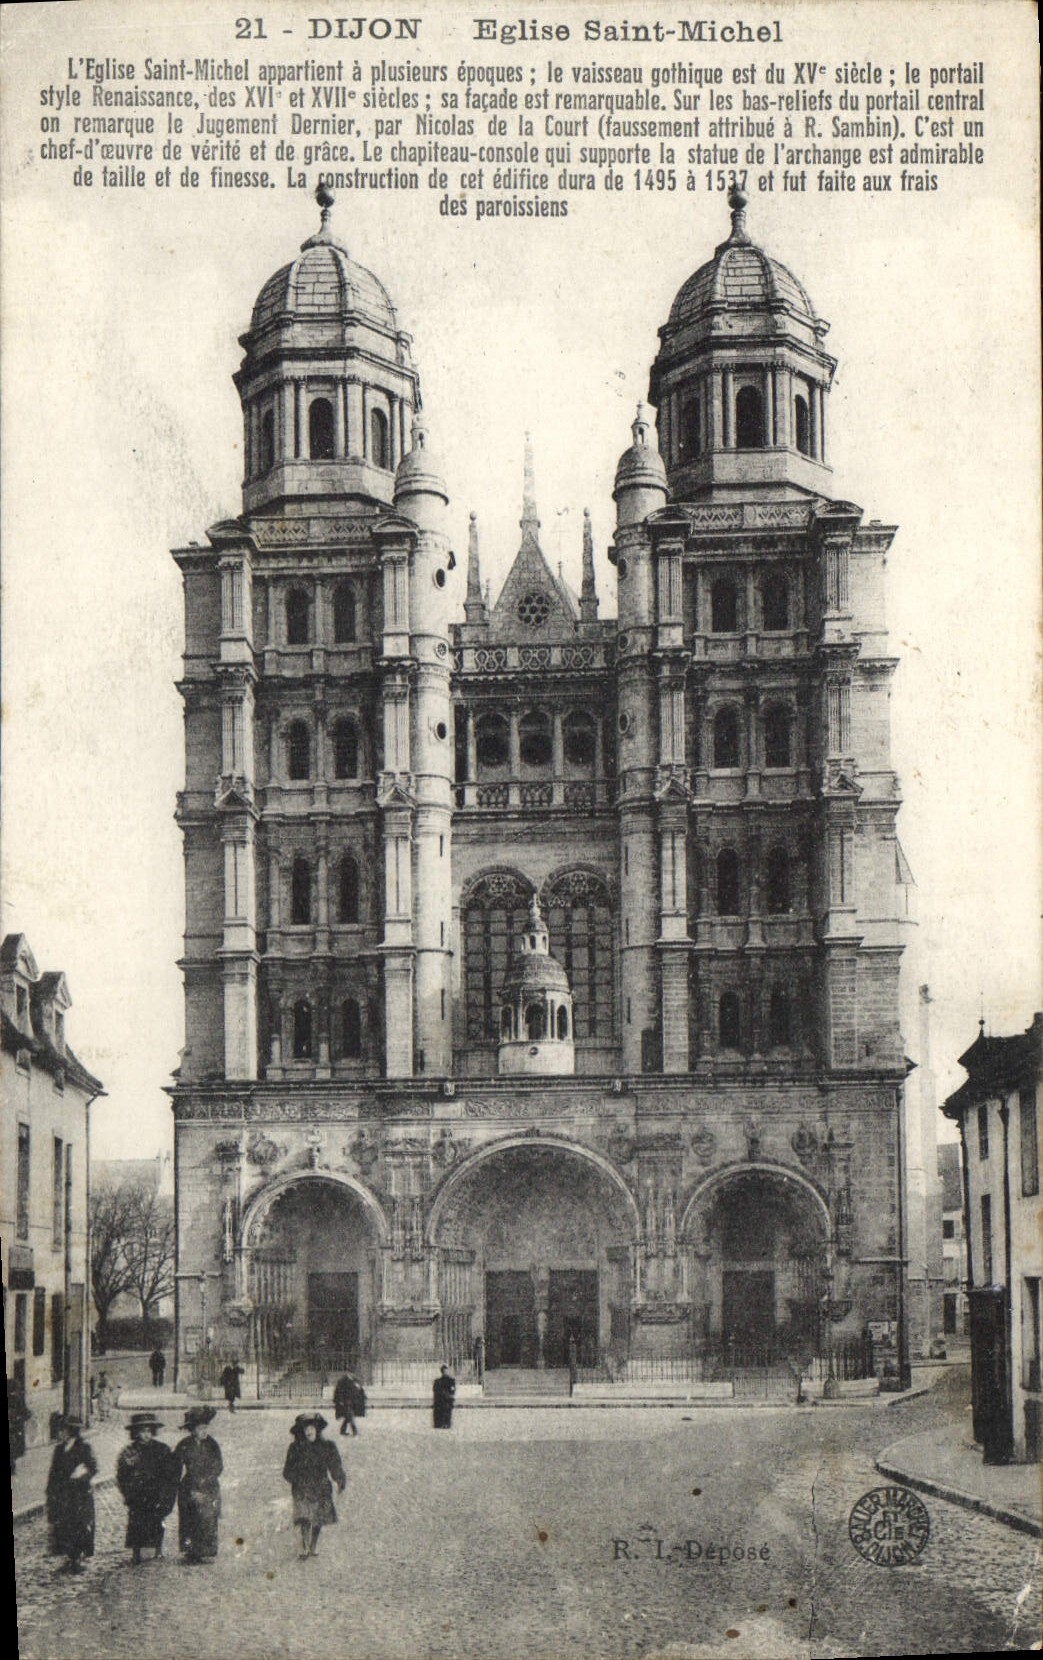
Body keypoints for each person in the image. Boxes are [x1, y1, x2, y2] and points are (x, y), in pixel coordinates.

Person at [116, 1412, 178, 1565]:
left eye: (149, 1431)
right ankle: (136, 1551)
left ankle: (158, 1549)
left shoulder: (162, 1450)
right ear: (136, 1433)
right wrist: (128, 1492)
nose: (146, 1435)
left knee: (157, 1521)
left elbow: (170, 1473)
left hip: (156, 1493)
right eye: (142, 1431)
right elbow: (122, 1475)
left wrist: (165, 1493)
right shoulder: (129, 1452)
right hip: (137, 1494)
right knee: (136, 1523)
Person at [282, 1414, 345, 1559]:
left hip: (320, 1487)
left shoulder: (327, 1447)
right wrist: (296, 1478)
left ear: (317, 1430)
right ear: (301, 1432)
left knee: (318, 1518)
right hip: (302, 1488)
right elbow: (287, 1471)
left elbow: (335, 1466)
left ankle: (313, 1546)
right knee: (304, 1517)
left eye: (311, 1428)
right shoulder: (295, 1448)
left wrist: (340, 1480)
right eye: (306, 1429)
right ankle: (304, 1547)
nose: (309, 1432)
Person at [45, 1416, 97, 1573]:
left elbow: (93, 1468)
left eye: (62, 1430)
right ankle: (68, 1558)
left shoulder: (83, 1448)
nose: (60, 1434)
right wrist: (50, 1491)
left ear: (70, 1432)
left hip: (79, 1495)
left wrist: (82, 1475)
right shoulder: (59, 1449)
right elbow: (53, 1472)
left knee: (79, 1525)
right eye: (59, 1430)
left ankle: (76, 1559)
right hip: (62, 1495)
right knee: (63, 1526)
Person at [174, 1405, 223, 1564]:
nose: (204, 1431)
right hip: (190, 1485)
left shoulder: (212, 1444)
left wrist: (209, 1477)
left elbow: (218, 1465)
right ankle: (190, 1550)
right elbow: (175, 1465)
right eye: (201, 1428)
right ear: (192, 1430)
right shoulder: (184, 1445)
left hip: (209, 1485)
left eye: (206, 1428)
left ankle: (206, 1550)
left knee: (208, 1518)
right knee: (190, 1518)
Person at [8, 1376, 31, 1475]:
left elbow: (27, 1414)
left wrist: (17, 1418)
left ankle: (12, 1467)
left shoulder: (18, 1400)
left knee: (14, 1448)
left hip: (15, 1429)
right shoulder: (17, 1398)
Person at [332, 1370, 365, 1437]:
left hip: (352, 1402)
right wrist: (340, 1401)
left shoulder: (354, 1381)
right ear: (348, 1373)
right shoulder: (342, 1381)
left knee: (348, 1417)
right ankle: (355, 1431)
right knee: (350, 1416)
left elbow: (359, 1390)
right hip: (345, 1402)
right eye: (351, 1373)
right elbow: (339, 1391)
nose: (353, 1374)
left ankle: (342, 1430)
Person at [432, 1364, 456, 1429]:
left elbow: (452, 1390)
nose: (445, 1372)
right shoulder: (438, 1381)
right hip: (441, 1400)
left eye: (446, 1371)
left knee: (447, 1412)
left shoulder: (451, 1381)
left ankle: (446, 1423)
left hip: (447, 1399)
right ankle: (440, 1423)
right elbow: (435, 1390)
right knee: (440, 1411)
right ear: (442, 1372)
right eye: (444, 1371)